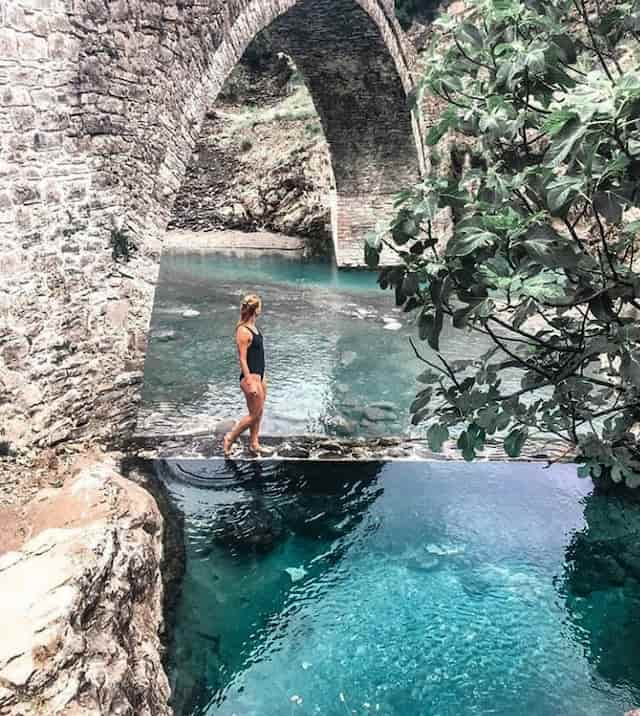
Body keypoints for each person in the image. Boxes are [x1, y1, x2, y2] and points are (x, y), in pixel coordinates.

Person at [223, 294, 268, 457]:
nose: (261, 309)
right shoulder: (243, 330)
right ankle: (230, 437)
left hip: (260, 377)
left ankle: (254, 444)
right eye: (260, 306)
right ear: (255, 309)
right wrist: (249, 381)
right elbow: (242, 359)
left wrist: (263, 378)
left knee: (259, 412)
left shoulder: (254, 328)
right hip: (250, 379)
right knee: (253, 415)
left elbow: (257, 355)